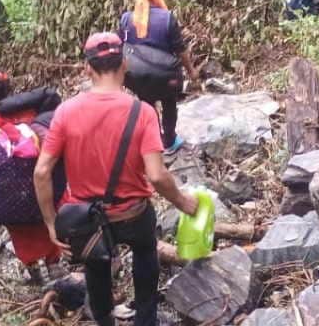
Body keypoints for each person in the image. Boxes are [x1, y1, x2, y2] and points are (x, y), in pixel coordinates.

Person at [34, 33, 199, 326]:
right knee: (146, 254)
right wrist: (185, 203)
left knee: (96, 269)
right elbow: (157, 176)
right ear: (124, 64)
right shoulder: (143, 112)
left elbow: (42, 171)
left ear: (87, 68)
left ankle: (104, 320)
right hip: (134, 213)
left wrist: (50, 223)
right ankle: (145, 319)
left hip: (88, 219)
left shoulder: (65, 112)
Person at [0, 69, 66, 276]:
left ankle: (31, 267)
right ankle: (53, 262)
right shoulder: (32, 113)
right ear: (10, 88)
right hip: (41, 194)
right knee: (48, 206)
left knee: (20, 229)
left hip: (7, 201)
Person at [118, 0, 189, 154]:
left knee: (147, 106)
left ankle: (154, 142)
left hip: (139, 76)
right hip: (165, 75)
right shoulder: (167, 18)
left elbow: (122, 46)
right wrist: (192, 71)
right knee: (169, 103)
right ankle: (170, 141)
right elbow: (180, 50)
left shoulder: (127, 19)